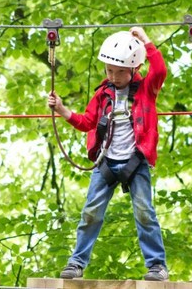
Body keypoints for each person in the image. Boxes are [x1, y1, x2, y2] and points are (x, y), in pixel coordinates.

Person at [47, 27, 169, 281]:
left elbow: (160, 70)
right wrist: (61, 109)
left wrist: (145, 41)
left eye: (119, 71)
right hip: (106, 161)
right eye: (109, 70)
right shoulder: (102, 95)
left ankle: (157, 265)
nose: (113, 76)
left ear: (133, 69)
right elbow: (86, 122)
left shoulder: (146, 90)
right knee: (90, 212)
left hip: (135, 161)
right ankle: (77, 262)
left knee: (145, 212)